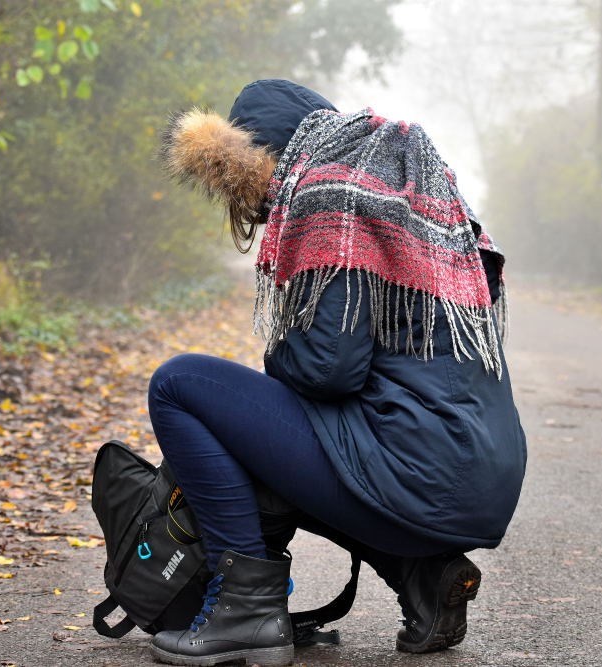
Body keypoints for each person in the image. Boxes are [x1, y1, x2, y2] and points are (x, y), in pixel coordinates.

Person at [147, 79, 526, 667]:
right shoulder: (415, 195)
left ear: (263, 156)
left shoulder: (331, 198)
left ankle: (245, 611)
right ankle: (419, 573)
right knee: (278, 428)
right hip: (476, 477)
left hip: (418, 477)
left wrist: (274, 370)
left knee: (180, 385)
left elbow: (328, 370)